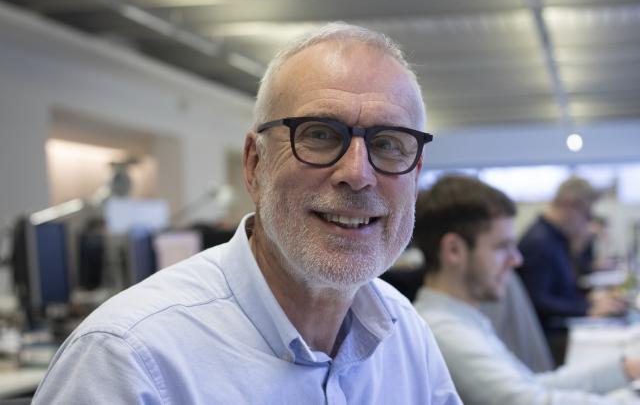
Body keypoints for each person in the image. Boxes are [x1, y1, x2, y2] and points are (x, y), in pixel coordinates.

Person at [32, 23, 461, 404]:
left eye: (388, 144)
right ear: (255, 164)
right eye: (319, 134)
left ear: (416, 173)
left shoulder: (404, 332)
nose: (357, 174)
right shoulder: (128, 359)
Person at [412, 174, 640, 405]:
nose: (516, 260)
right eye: (502, 247)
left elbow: (530, 385)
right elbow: (527, 400)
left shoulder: (462, 318)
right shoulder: (444, 332)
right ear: (453, 250)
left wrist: (626, 369)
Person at [517, 176, 626, 360]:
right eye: (587, 215)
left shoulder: (554, 237)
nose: (588, 223)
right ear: (569, 205)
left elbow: (560, 288)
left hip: (560, 330)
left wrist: (589, 300)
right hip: (552, 340)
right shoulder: (540, 242)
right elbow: (537, 301)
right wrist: (586, 309)